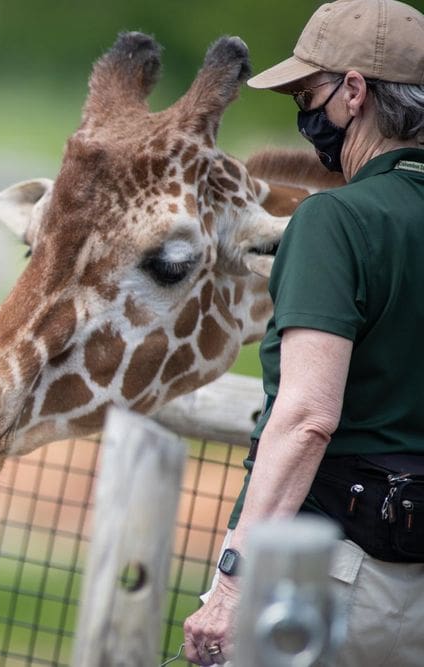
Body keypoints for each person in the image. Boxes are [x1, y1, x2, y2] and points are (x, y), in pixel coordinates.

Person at [182, 0, 424, 664]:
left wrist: (233, 583)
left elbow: (309, 414)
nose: (303, 115)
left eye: (309, 94)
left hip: (340, 580)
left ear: (354, 91)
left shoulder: (336, 222)